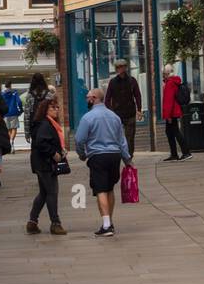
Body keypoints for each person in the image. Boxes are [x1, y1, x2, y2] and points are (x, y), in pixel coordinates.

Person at [74, 87, 132, 238]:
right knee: (110, 188)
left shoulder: (88, 117)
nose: (86, 99)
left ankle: (107, 225)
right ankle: (109, 221)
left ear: (94, 98)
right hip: (114, 156)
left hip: (98, 156)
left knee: (100, 189)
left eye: (88, 97)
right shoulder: (114, 117)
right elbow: (122, 140)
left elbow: (79, 139)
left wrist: (82, 154)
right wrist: (127, 160)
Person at [26, 93, 68, 235]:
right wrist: (53, 153)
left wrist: (60, 150)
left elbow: (47, 141)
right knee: (52, 192)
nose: (56, 110)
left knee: (44, 193)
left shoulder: (49, 123)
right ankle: (55, 224)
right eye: (53, 107)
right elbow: (41, 142)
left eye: (57, 107)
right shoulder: (45, 124)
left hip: (41, 163)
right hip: (44, 164)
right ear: (45, 110)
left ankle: (32, 222)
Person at [104, 59, 142, 157]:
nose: (121, 69)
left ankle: (129, 156)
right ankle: (119, 154)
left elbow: (137, 95)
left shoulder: (132, 80)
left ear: (126, 68)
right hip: (117, 114)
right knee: (117, 137)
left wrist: (139, 110)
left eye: (123, 67)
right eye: (119, 67)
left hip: (130, 113)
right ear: (116, 69)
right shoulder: (112, 82)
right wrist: (110, 112)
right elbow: (107, 99)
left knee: (130, 137)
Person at [161, 64, 192, 162]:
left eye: (164, 74)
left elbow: (168, 101)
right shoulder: (173, 81)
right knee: (169, 132)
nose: (163, 76)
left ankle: (186, 153)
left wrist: (168, 115)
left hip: (172, 113)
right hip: (173, 112)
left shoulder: (170, 83)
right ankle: (174, 154)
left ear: (167, 73)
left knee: (175, 132)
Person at [23, 73, 52, 143]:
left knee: (36, 148)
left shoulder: (30, 96)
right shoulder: (49, 94)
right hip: (47, 126)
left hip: (35, 127)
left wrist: (27, 133)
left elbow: (27, 116)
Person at [2, 81, 23, 151]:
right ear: (11, 85)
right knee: (14, 128)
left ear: (5, 86)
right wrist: (20, 110)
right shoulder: (14, 92)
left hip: (5, 113)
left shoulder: (2, 94)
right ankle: (11, 141)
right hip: (14, 112)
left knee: (8, 129)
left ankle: (10, 143)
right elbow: (19, 102)